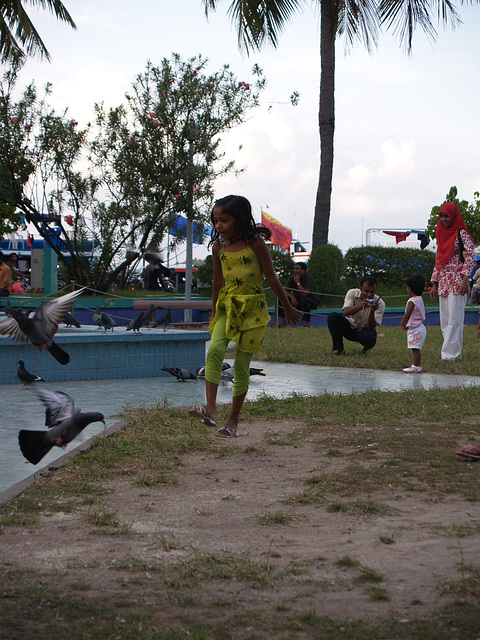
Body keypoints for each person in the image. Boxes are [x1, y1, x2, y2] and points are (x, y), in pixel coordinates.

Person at [188, 195, 303, 437]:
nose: (219, 225)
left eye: (224, 220)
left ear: (238, 219)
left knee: (241, 366)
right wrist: (213, 310)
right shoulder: (219, 248)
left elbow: (272, 278)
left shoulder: (256, 245)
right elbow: (217, 281)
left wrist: (287, 307)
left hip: (253, 311)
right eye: (216, 221)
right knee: (215, 351)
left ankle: (233, 421)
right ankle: (210, 409)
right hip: (227, 307)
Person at [430, 202, 475, 360]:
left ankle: (451, 355)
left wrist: (465, 279)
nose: (443, 219)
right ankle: (450, 352)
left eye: (446, 216)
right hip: (443, 280)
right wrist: (434, 283)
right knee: (445, 319)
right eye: (441, 216)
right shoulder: (441, 232)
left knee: (455, 318)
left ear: (453, 215)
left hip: (457, 280)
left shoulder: (461, 232)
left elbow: (470, 255)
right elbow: (439, 259)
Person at [327, 276, 385, 355]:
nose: (369, 295)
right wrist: (362, 305)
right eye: (366, 291)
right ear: (360, 288)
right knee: (332, 317)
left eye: (372, 292)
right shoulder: (352, 293)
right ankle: (340, 350)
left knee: (371, 335)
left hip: (365, 330)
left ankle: (366, 349)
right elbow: (346, 312)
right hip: (350, 327)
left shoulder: (380, 303)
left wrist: (372, 310)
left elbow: (372, 327)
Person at [400, 274, 427, 373]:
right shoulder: (419, 299)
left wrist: (403, 322)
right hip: (419, 327)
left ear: (409, 288)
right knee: (415, 347)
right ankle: (417, 365)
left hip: (416, 329)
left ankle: (417, 365)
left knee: (415, 348)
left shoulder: (412, 301)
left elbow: (408, 314)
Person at [278, 262, 317, 328]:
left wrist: (297, 282)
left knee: (304, 300)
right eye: (294, 268)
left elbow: (305, 293)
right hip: (297, 300)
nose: (295, 270)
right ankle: (283, 322)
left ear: (303, 270)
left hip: (309, 301)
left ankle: (307, 322)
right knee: (282, 299)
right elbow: (286, 291)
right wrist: (292, 297)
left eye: (297, 269)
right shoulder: (292, 278)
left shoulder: (309, 279)